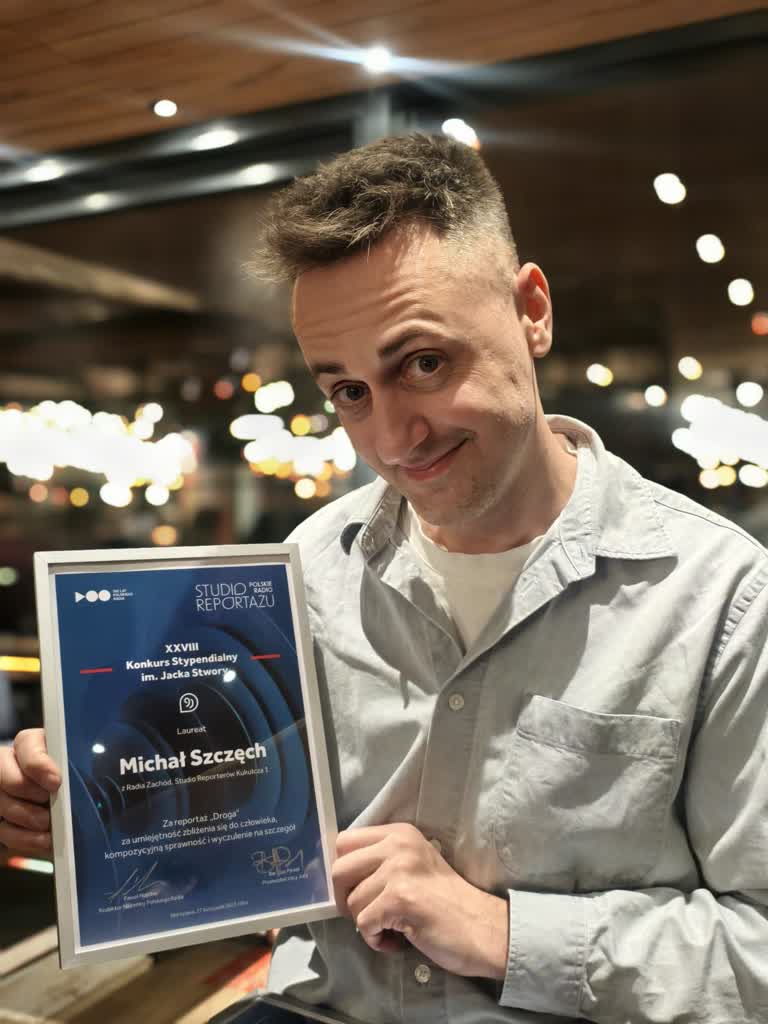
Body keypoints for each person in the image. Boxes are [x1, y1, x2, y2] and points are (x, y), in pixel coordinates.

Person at [2, 134, 767, 1023]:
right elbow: (222, 828)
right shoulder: (304, 569)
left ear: (531, 311)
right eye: (349, 393)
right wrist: (82, 798)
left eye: (424, 364)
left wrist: (501, 932)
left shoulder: (723, 597)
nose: (392, 440)